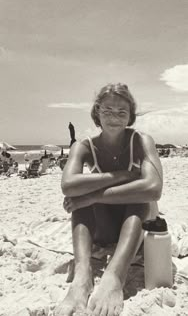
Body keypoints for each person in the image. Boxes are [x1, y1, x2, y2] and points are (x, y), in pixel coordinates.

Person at [55, 83, 163, 316]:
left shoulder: (142, 141)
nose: (114, 117)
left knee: (138, 197)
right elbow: (67, 185)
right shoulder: (84, 147)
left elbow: (153, 189)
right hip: (103, 229)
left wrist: (92, 196)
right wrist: (122, 175)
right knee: (78, 194)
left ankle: (115, 276)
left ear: (131, 116)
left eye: (121, 112)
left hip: (137, 225)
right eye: (107, 111)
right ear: (97, 113)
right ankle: (83, 276)